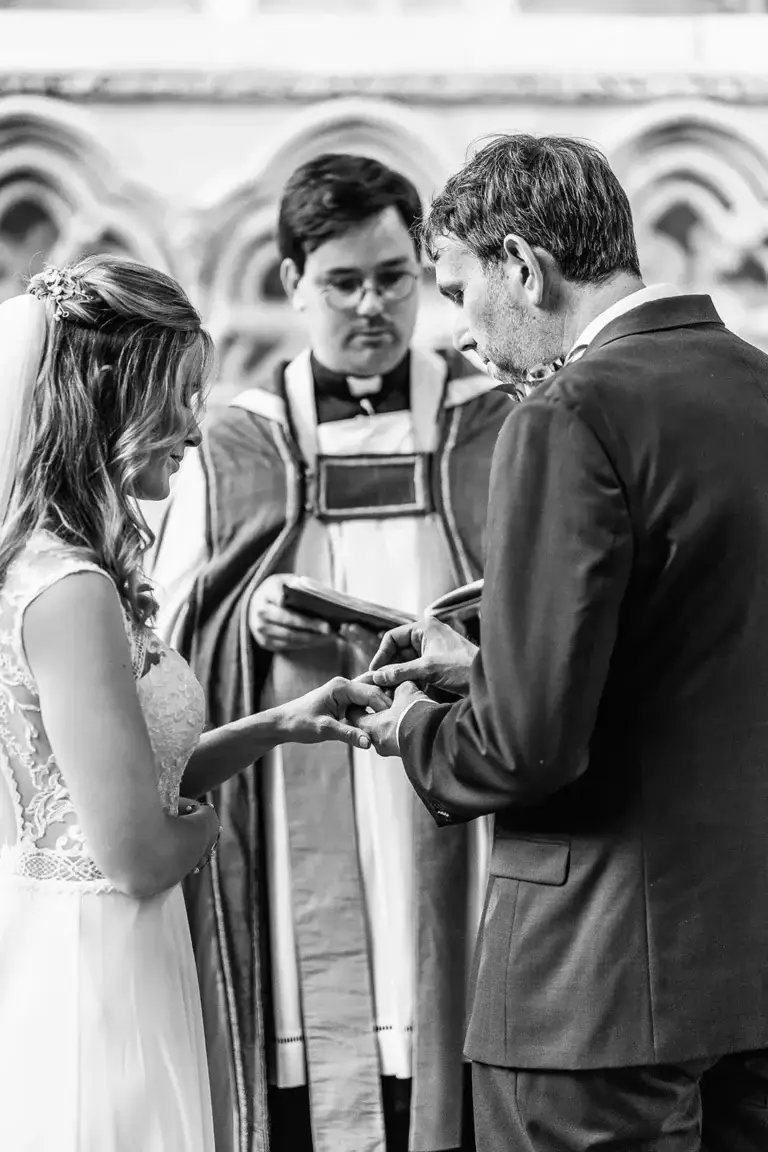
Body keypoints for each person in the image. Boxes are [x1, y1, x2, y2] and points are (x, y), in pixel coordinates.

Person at [356, 134, 768, 1152]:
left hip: (594, 986)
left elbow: (528, 747)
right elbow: (701, 650)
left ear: (524, 268)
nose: (459, 331)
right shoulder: (757, 386)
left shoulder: (570, 412)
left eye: (459, 292)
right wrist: (487, 665)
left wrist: (416, 723)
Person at [149, 153, 514, 1152]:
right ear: (290, 284)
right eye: (343, 282)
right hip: (299, 809)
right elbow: (163, 656)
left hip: (459, 798)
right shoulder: (231, 448)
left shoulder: (497, 425)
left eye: (394, 279)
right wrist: (248, 621)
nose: (371, 306)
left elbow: (553, 618)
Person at [0, 256, 389, 1152]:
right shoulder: (69, 590)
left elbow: (122, 773)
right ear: (110, 397)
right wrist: (215, 825)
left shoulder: (51, 567)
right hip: (96, 971)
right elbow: (137, 851)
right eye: (176, 394)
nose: (193, 424)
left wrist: (279, 725)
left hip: (100, 942)